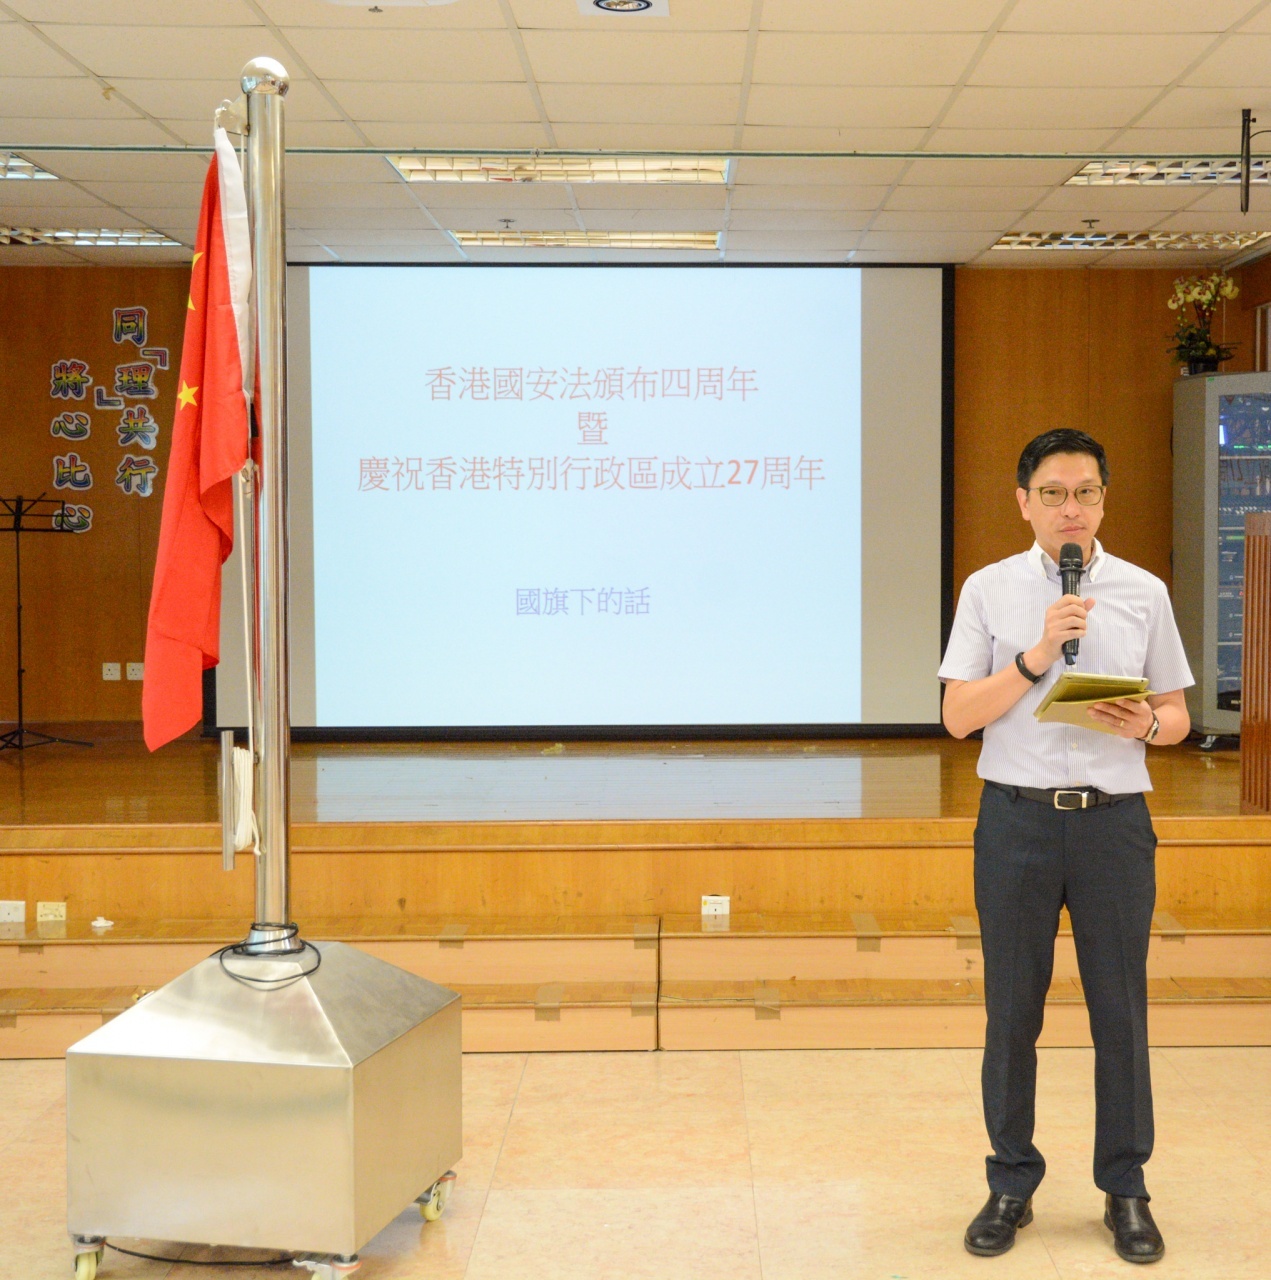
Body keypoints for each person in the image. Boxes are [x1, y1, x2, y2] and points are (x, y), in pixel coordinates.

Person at [938, 429, 1193, 1265]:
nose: (1069, 508)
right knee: (1011, 1011)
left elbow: (1177, 715)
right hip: (1015, 821)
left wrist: (1148, 723)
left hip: (1112, 825)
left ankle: (1125, 1187)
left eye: (1084, 492)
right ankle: (1010, 1181)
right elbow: (957, 716)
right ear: (1023, 502)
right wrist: (1037, 655)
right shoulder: (988, 589)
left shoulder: (1143, 591)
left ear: (1103, 500)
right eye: (1051, 493)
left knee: (1120, 1011)